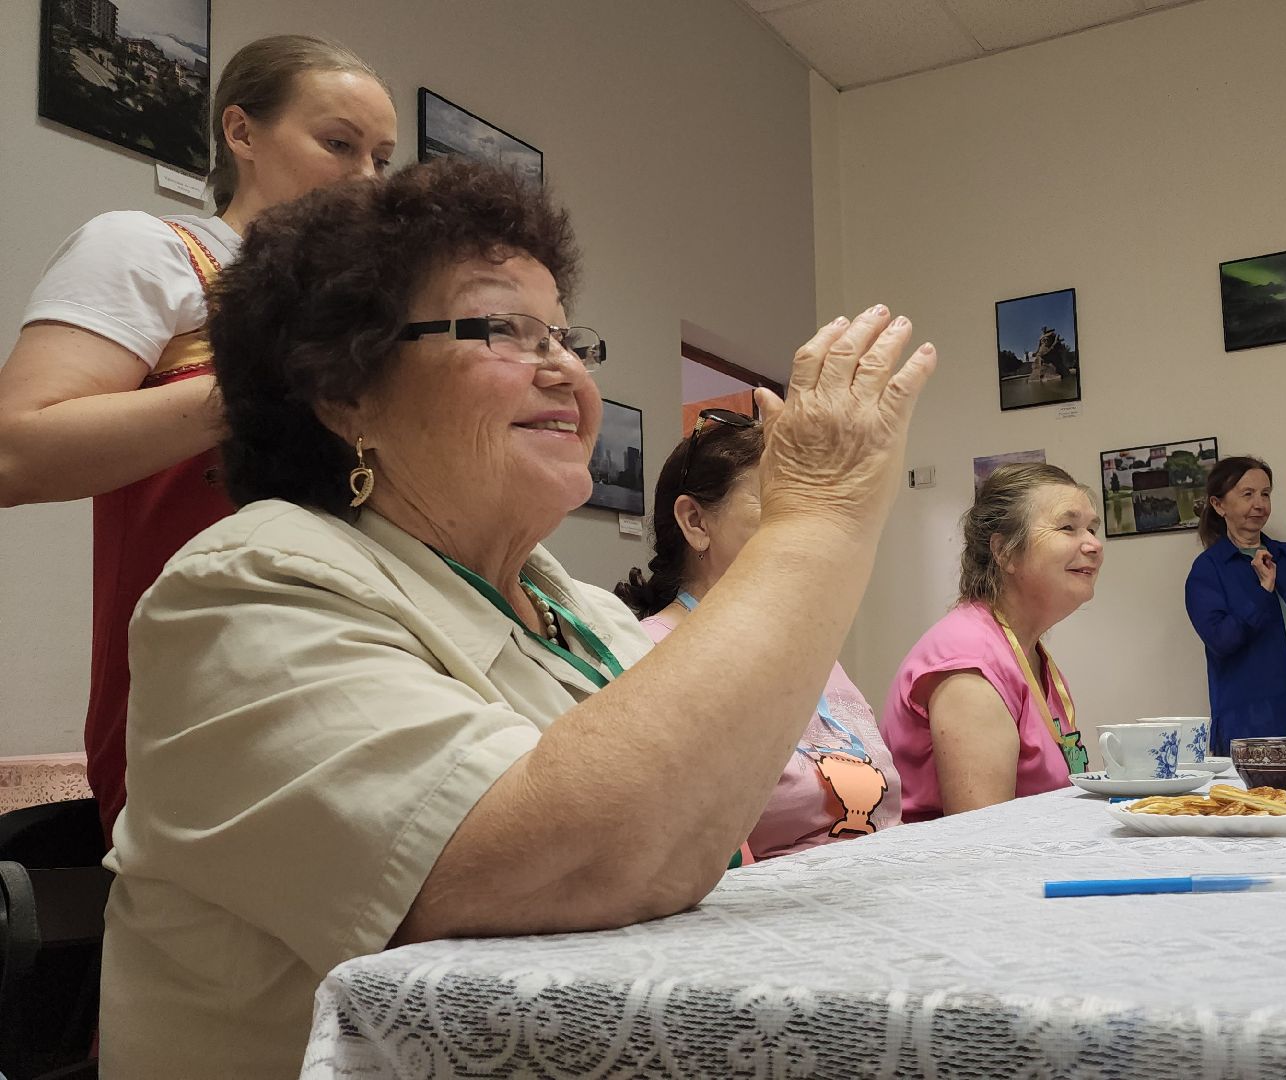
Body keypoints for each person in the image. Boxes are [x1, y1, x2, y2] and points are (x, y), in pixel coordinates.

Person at [98, 158, 937, 1075]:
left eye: (567, 338)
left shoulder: (574, 606)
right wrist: (817, 514)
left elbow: (707, 817)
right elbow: (582, 858)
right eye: (506, 330)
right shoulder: (246, 585)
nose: (567, 373)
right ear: (347, 392)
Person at [0, 34, 397, 838]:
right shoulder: (155, 252)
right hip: (198, 723)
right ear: (241, 133)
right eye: (338, 144)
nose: (365, 179)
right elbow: (16, 451)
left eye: (382, 159)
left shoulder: (373, 322)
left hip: (365, 705)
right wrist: (265, 382)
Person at [616, 413, 901, 857]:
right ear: (696, 522)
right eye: (781, 506)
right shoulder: (648, 656)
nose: (808, 532)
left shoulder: (808, 647)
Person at [881, 463, 1102, 820]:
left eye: (1091, 528)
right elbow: (983, 839)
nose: (1094, 544)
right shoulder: (968, 658)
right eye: (1068, 527)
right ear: (1004, 552)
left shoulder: (1021, 648)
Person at [1185, 455, 1286, 752]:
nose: (1259, 504)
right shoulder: (1208, 570)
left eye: (1265, 494)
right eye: (1247, 494)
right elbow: (1222, 641)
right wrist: (1263, 591)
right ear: (1219, 505)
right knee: (1257, 800)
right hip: (1250, 723)